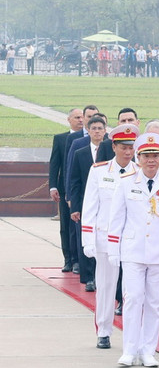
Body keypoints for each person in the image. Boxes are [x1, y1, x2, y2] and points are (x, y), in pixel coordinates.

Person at [106, 133, 159, 367]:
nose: (151, 160)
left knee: (155, 302)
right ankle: (130, 350)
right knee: (132, 299)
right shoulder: (126, 182)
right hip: (132, 250)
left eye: (156, 155)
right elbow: (117, 218)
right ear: (138, 157)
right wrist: (114, 249)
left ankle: (148, 349)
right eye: (146, 156)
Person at [81, 125, 139, 349]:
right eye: (123, 147)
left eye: (131, 148)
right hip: (106, 239)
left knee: (133, 289)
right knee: (106, 286)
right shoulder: (99, 171)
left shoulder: (139, 172)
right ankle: (104, 330)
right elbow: (90, 207)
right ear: (113, 146)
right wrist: (88, 240)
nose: (128, 152)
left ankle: (133, 333)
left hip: (132, 240)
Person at [68, 115, 110, 291]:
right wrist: (75, 207)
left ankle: (104, 277)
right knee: (86, 239)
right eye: (94, 129)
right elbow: (74, 182)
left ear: (105, 131)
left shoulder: (111, 151)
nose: (97, 132)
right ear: (89, 131)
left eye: (100, 128)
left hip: (107, 203)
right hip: (87, 203)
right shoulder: (80, 153)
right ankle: (89, 278)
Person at [50, 108, 84, 273]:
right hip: (64, 189)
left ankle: (78, 260)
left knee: (77, 227)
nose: (80, 120)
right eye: (77, 117)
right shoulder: (60, 139)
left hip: (79, 189)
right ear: (69, 119)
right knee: (66, 226)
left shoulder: (87, 139)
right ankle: (68, 259)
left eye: (82, 117)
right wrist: (53, 186)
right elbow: (54, 164)